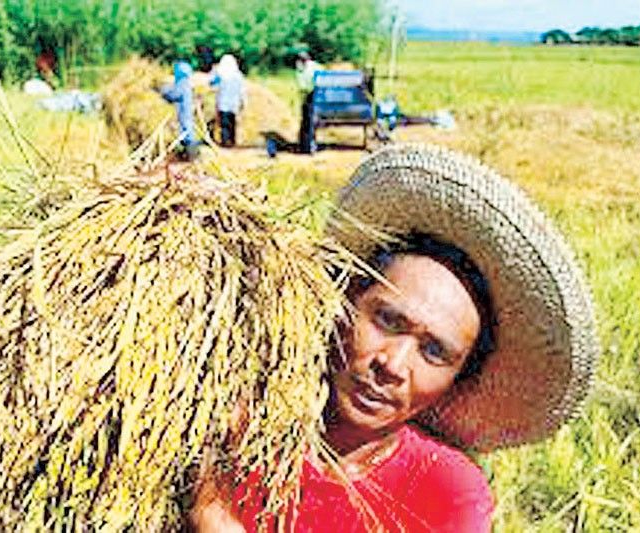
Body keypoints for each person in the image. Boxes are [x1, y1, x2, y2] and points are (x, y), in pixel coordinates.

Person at [192, 144, 599, 531]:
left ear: (458, 380)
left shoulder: (446, 493)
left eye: (434, 351)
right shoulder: (240, 420)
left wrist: (214, 518)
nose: (393, 364)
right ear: (347, 300)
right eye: (387, 319)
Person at [161, 61, 198, 160]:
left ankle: (190, 156)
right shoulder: (186, 83)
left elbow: (174, 94)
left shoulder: (182, 83)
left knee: (186, 132)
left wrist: (163, 91)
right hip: (186, 112)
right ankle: (189, 156)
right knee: (187, 130)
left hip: (184, 113)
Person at [210, 54, 246, 147]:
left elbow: (212, 83)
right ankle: (232, 141)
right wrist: (243, 102)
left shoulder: (221, 75)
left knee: (224, 124)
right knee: (232, 123)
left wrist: (213, 70)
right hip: (234, 104)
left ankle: (225, 141)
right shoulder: (238, 75)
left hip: (223, 103)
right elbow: (242, 90)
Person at [295, 51, 321, 154]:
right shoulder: (315, 66)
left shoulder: (306, 68)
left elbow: (303, 86)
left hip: (310, 95)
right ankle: (306, 145)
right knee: (307, 121)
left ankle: (307, 146)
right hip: (312, 95)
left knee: (308, 122)